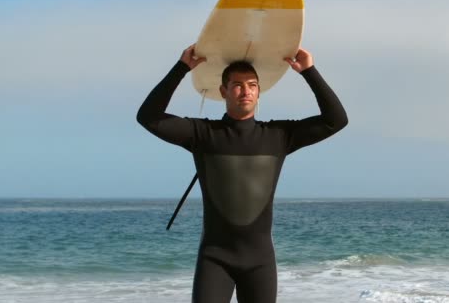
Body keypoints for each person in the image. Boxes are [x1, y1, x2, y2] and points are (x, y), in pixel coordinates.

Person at [136, 44, 348, 303]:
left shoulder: (278, 136)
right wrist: (181, 68)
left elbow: (335, 120)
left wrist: (309, 71)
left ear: (259, 92)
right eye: (237, 85)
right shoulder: (203, 134)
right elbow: (148, 117)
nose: (245, 91)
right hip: (215, 259)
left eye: (252, 85)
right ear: (223, 91)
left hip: (260, 262)